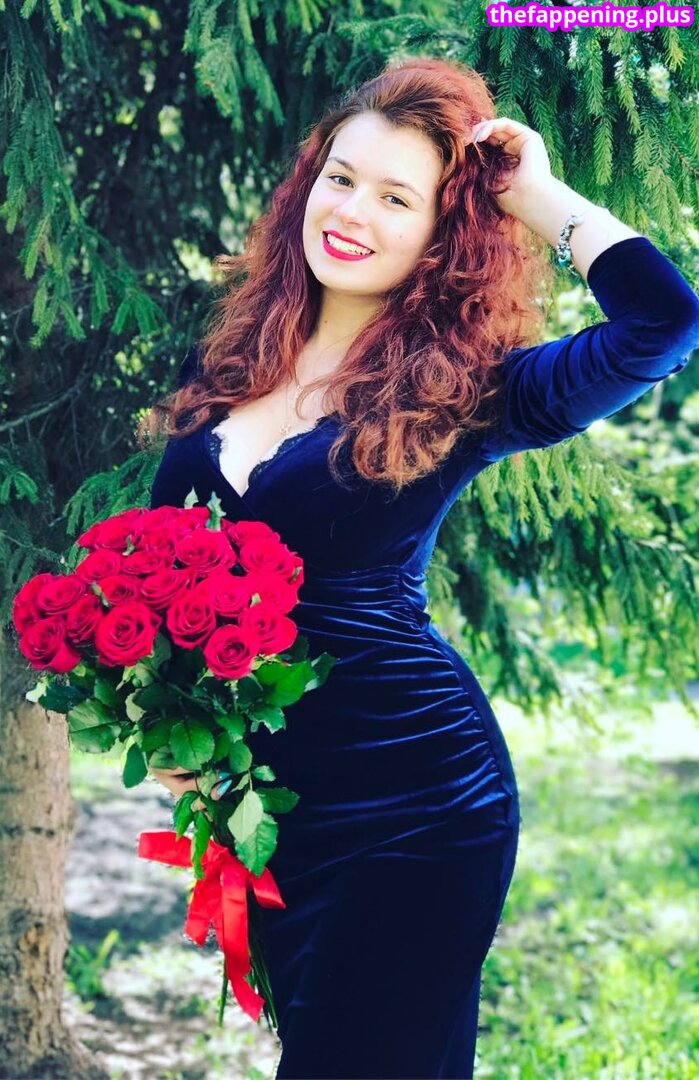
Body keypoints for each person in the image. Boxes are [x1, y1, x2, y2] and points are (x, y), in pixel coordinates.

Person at [141, 57, 699, 1079]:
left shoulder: (468, 393)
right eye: (341, 178)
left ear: (444, 232)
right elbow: (163, 568)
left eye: (397, 197)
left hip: (419, 802)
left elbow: (662, 325)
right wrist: (171, 720)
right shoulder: (226, 360)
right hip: (274, 811)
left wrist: (534, 193)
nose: (352, 211)